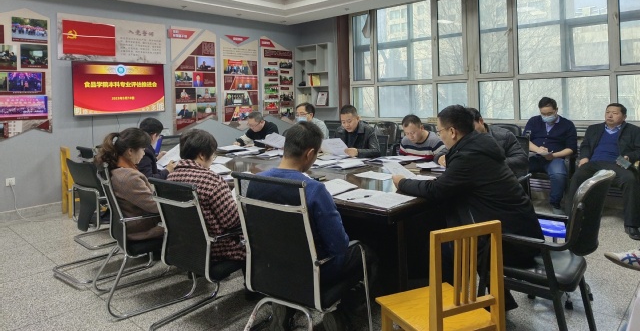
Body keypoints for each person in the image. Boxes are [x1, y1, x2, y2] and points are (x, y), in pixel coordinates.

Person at [392, 105, 543, 310]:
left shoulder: (469, 156)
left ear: (452, 132)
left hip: (511, 241)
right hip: (518, 228)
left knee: (443, 246)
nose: (440, 136)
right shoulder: (480, 145)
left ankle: (451, 306)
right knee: (451, 224)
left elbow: (437, 189)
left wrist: (402, 182)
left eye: (440, 131)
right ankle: (500, 299)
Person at [248, 122, 375, 331]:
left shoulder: (255, 181)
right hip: (313, 270)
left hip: (269, 266)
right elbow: (339, 246)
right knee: (366, 252)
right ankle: (343, 314)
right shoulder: (313, 189)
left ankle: (287, 306)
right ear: (309, 154)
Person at [168, 129, 246, 263]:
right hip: (219, 246)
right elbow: (232, 221)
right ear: (202, 155)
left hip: (187, 244)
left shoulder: (171, 177)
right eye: (213, 155)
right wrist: (242, 206)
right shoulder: (212, 180)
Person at [565, 103, 640, 239]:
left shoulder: (634, 130)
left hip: (618, 163)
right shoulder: (593, 128)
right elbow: (585, 145)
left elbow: (638, 150)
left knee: (630, 180)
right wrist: (584, 157)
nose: (610, 115)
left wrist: (629, 157)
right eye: (607, 112)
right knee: (577, 177)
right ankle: (571, 218)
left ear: (624, 117)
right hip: (594, 163)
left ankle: (632, 224)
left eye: (615, 113)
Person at [95, 127, 163, 240]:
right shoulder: (129, 177)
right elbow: (156, 207)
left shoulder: (115, 168)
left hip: (128, 226)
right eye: (143, 149)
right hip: (142, 230)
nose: (144, 153)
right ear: (130, 151)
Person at [524, 97, 577, 214]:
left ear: (556, 110)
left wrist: (553, 155)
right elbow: (525, 140)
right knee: (514, 168)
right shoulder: (534, 121)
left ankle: (555, 204)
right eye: (543, 114)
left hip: (554, 159)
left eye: (549, 113)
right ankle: (520, 200)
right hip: (534, 157)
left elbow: (571, 149)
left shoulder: (567, 125)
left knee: (558, 175)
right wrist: (538, 150)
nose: (546, 116)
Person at [466, 107, 529, 177]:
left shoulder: (505, 135)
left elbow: (522, 160)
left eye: (471, 127)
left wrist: (494, 164)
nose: (469, 131)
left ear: (481, 121)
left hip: (501, 177)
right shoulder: (465, 138)